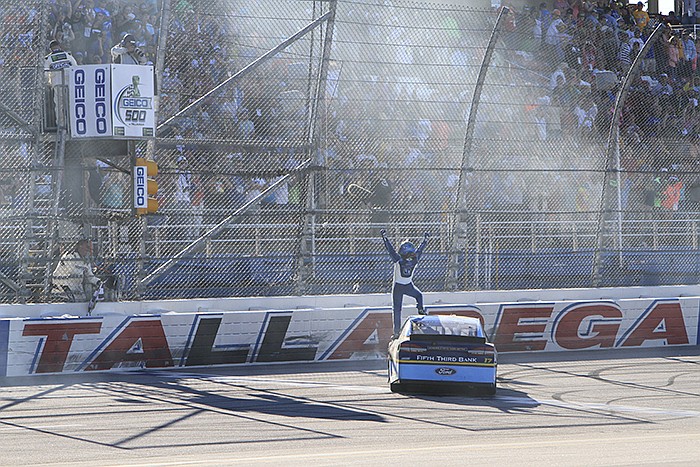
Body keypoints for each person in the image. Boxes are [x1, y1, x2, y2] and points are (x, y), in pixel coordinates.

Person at [380, 229, 429, 336]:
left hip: (398, 287)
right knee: (419, 295)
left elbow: (391, 250)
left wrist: (385, 238)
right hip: (408, 285)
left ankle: (396, 332)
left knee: (397, 310)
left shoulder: (398, 260)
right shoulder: (415, 260)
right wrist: (425, 241)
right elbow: (420, 251)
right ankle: (420, 309)